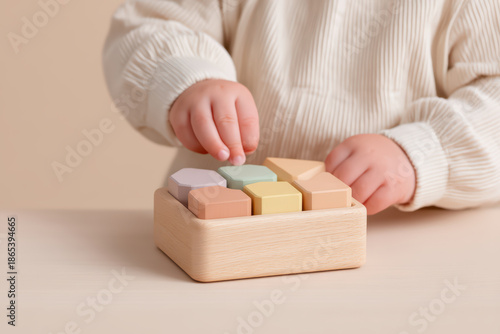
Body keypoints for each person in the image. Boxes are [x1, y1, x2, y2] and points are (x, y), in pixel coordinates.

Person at [103, 0, 500, 214]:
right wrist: (189, 78)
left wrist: (420, 153)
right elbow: (151, 24)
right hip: (227, 227)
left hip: (395, 245)